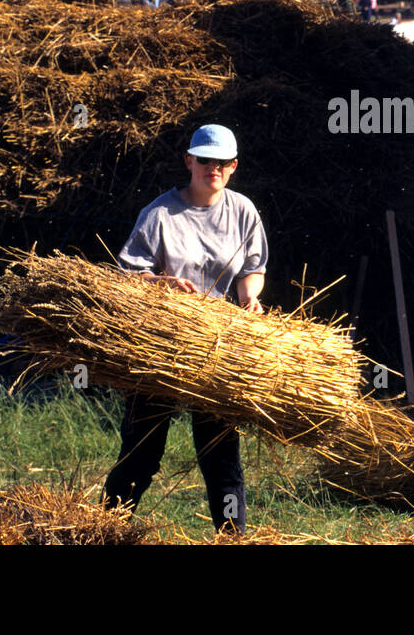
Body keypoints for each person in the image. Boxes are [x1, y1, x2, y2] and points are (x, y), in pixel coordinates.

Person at [105, 124, 268, 533]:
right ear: (189, 162)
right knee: (143, 451)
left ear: (233, 167)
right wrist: (162, 284)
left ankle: (232, 539)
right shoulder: (160, 213)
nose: (213, 168)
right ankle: (102, 530)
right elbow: (128, 275)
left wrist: (249, 298)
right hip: (161, 342)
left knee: (220, 453)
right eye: (205, 160)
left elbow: (253, 268)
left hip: (218, 345)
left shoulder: (243, 211)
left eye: (222, 162)